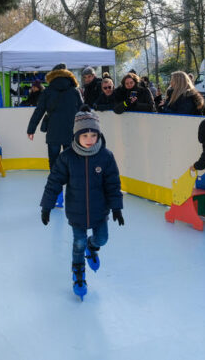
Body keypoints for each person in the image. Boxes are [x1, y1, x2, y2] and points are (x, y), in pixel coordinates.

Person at [39, 106, 124, 300]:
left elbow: (113, 183)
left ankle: (92, 247)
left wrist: (117, 207)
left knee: (102, 238)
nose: (89, 139)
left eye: (93, 135)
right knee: (77, 244)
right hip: (76, 212)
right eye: (84, 135)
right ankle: (78, 275)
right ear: (76, 135)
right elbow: (54, 182)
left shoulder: (106, 156)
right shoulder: (67, 157)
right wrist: (47, 205)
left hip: (100, 210)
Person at [27, 64, 84, 209]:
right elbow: (83, 110)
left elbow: (39, 111)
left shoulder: (48, 91)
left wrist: (31, 128)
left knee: (54, 166)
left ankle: (57, 198)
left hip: (53, 134)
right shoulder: (74, 91)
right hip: (70, 133)